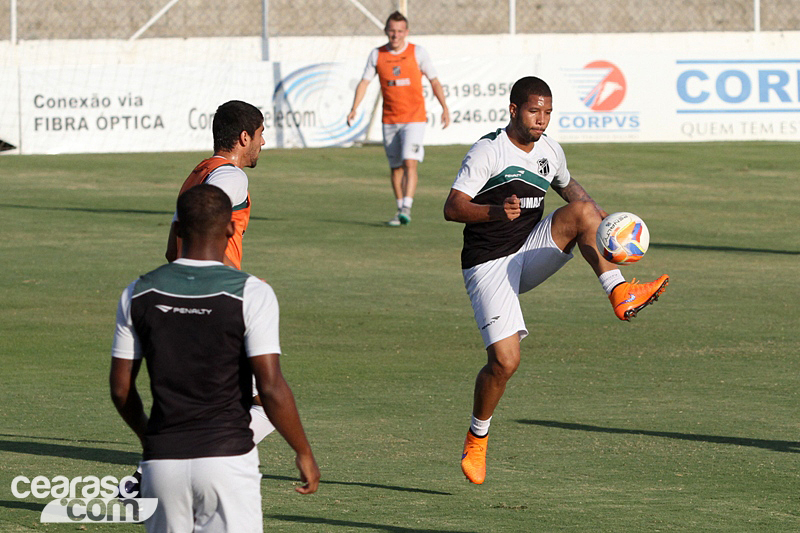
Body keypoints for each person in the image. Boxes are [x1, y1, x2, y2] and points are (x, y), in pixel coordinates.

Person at [443, 76, 669, 485]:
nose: (541, 120)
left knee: (582, 212)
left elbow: (570, 188)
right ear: (514, 110)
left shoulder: (549, 150)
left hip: (529, 251)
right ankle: (478, 437)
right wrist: (495, 212)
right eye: (534, 111)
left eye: (548, 112)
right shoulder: (488, 151)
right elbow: (452, 207)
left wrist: (606, 225)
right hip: (488, 264)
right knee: (505, 363)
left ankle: (619, 291)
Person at [111, 184, 320, 532]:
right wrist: (303, 450)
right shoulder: (253, 292)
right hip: (227, 461)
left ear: (178, 230)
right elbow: (269, 387)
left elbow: (121, 389)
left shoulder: (137, 291)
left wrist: (150, 438)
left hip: (163, 462)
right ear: (230, 229)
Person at [165, 99, 276, 445]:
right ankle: (166, 472)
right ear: (244, 137)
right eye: (260, 134)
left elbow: (173, 250)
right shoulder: (231, 177)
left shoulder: (198, 174)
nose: (263, 142)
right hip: (219, 302)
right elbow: (205, 245)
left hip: (186, 296)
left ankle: (153, 477)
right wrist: (239, 283)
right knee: (269, 402)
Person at [347, 10, 450, 226]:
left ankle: (407, 207)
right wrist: (354, 108)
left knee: (409, 162)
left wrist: (444, 108)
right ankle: (400, 207)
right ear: (386, 31)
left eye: (400, 31)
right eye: (392, 31)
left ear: (407, 32)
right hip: (390, 120)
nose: (396, 36)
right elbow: (365, 82)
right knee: (395, 167)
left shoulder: (418, 53)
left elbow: (434, 81)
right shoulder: (377, 55)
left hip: (414, 118)